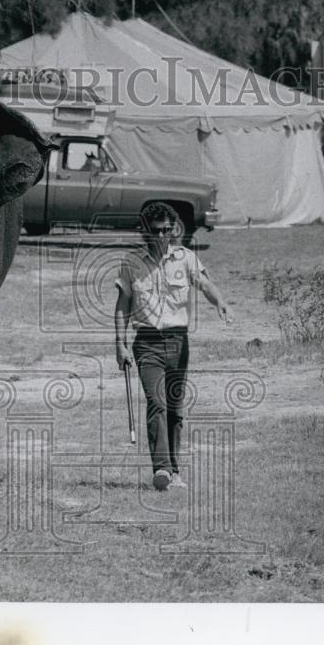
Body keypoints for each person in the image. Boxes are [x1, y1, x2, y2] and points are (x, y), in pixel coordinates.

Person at [114, 202, 233, 492]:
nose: (164, 235)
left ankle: (175, 470)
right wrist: (120, 343)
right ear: (146, 231)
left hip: (178, 341)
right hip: (147, 343)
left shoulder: (185, 258)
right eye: (157, 230)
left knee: (175, 408)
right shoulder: (132, 263)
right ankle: (162, 470)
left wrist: (221, 303)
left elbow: (205, 284)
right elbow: (122, 306)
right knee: (157, 403)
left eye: (169, 229)